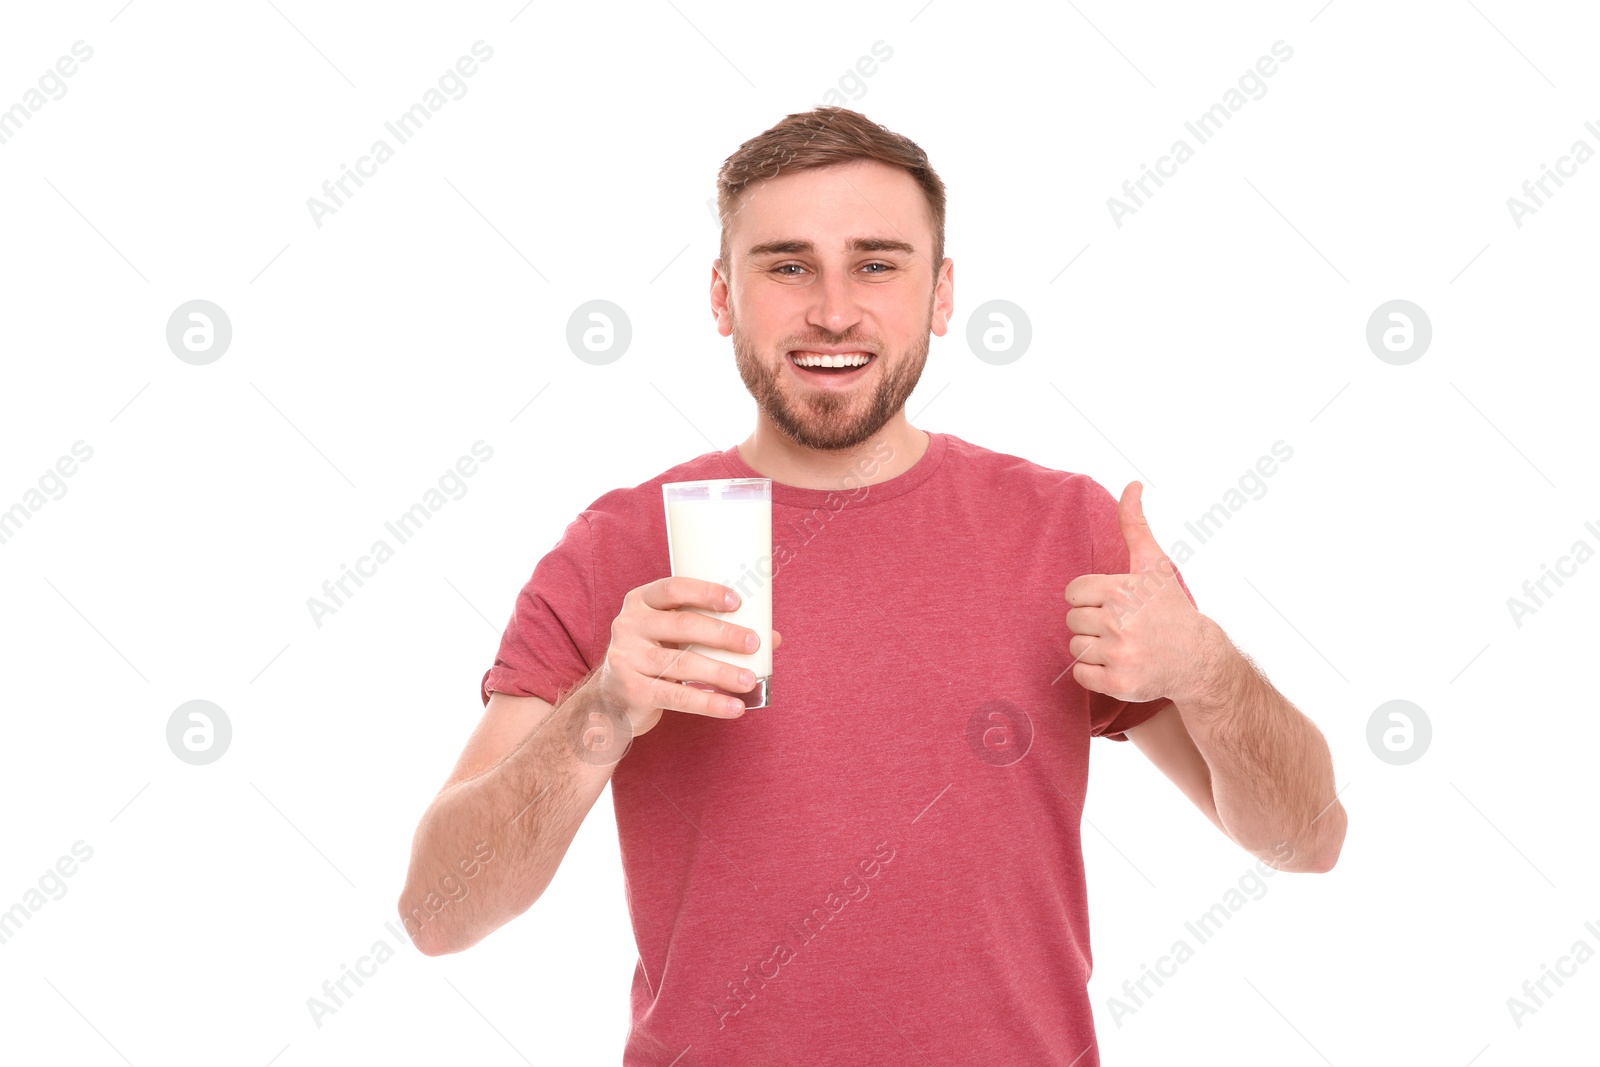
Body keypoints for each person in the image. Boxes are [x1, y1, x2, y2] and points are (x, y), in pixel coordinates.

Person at [397, 106, 1347, 1065]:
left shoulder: (1070, 530)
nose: (835, 310)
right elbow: (439, 913)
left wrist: (1207, 668)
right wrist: (601, 709)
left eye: (878, 264)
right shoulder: (619, 546)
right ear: (723, 297)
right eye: (788, 265)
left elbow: (1306, 839)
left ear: (940, 295)